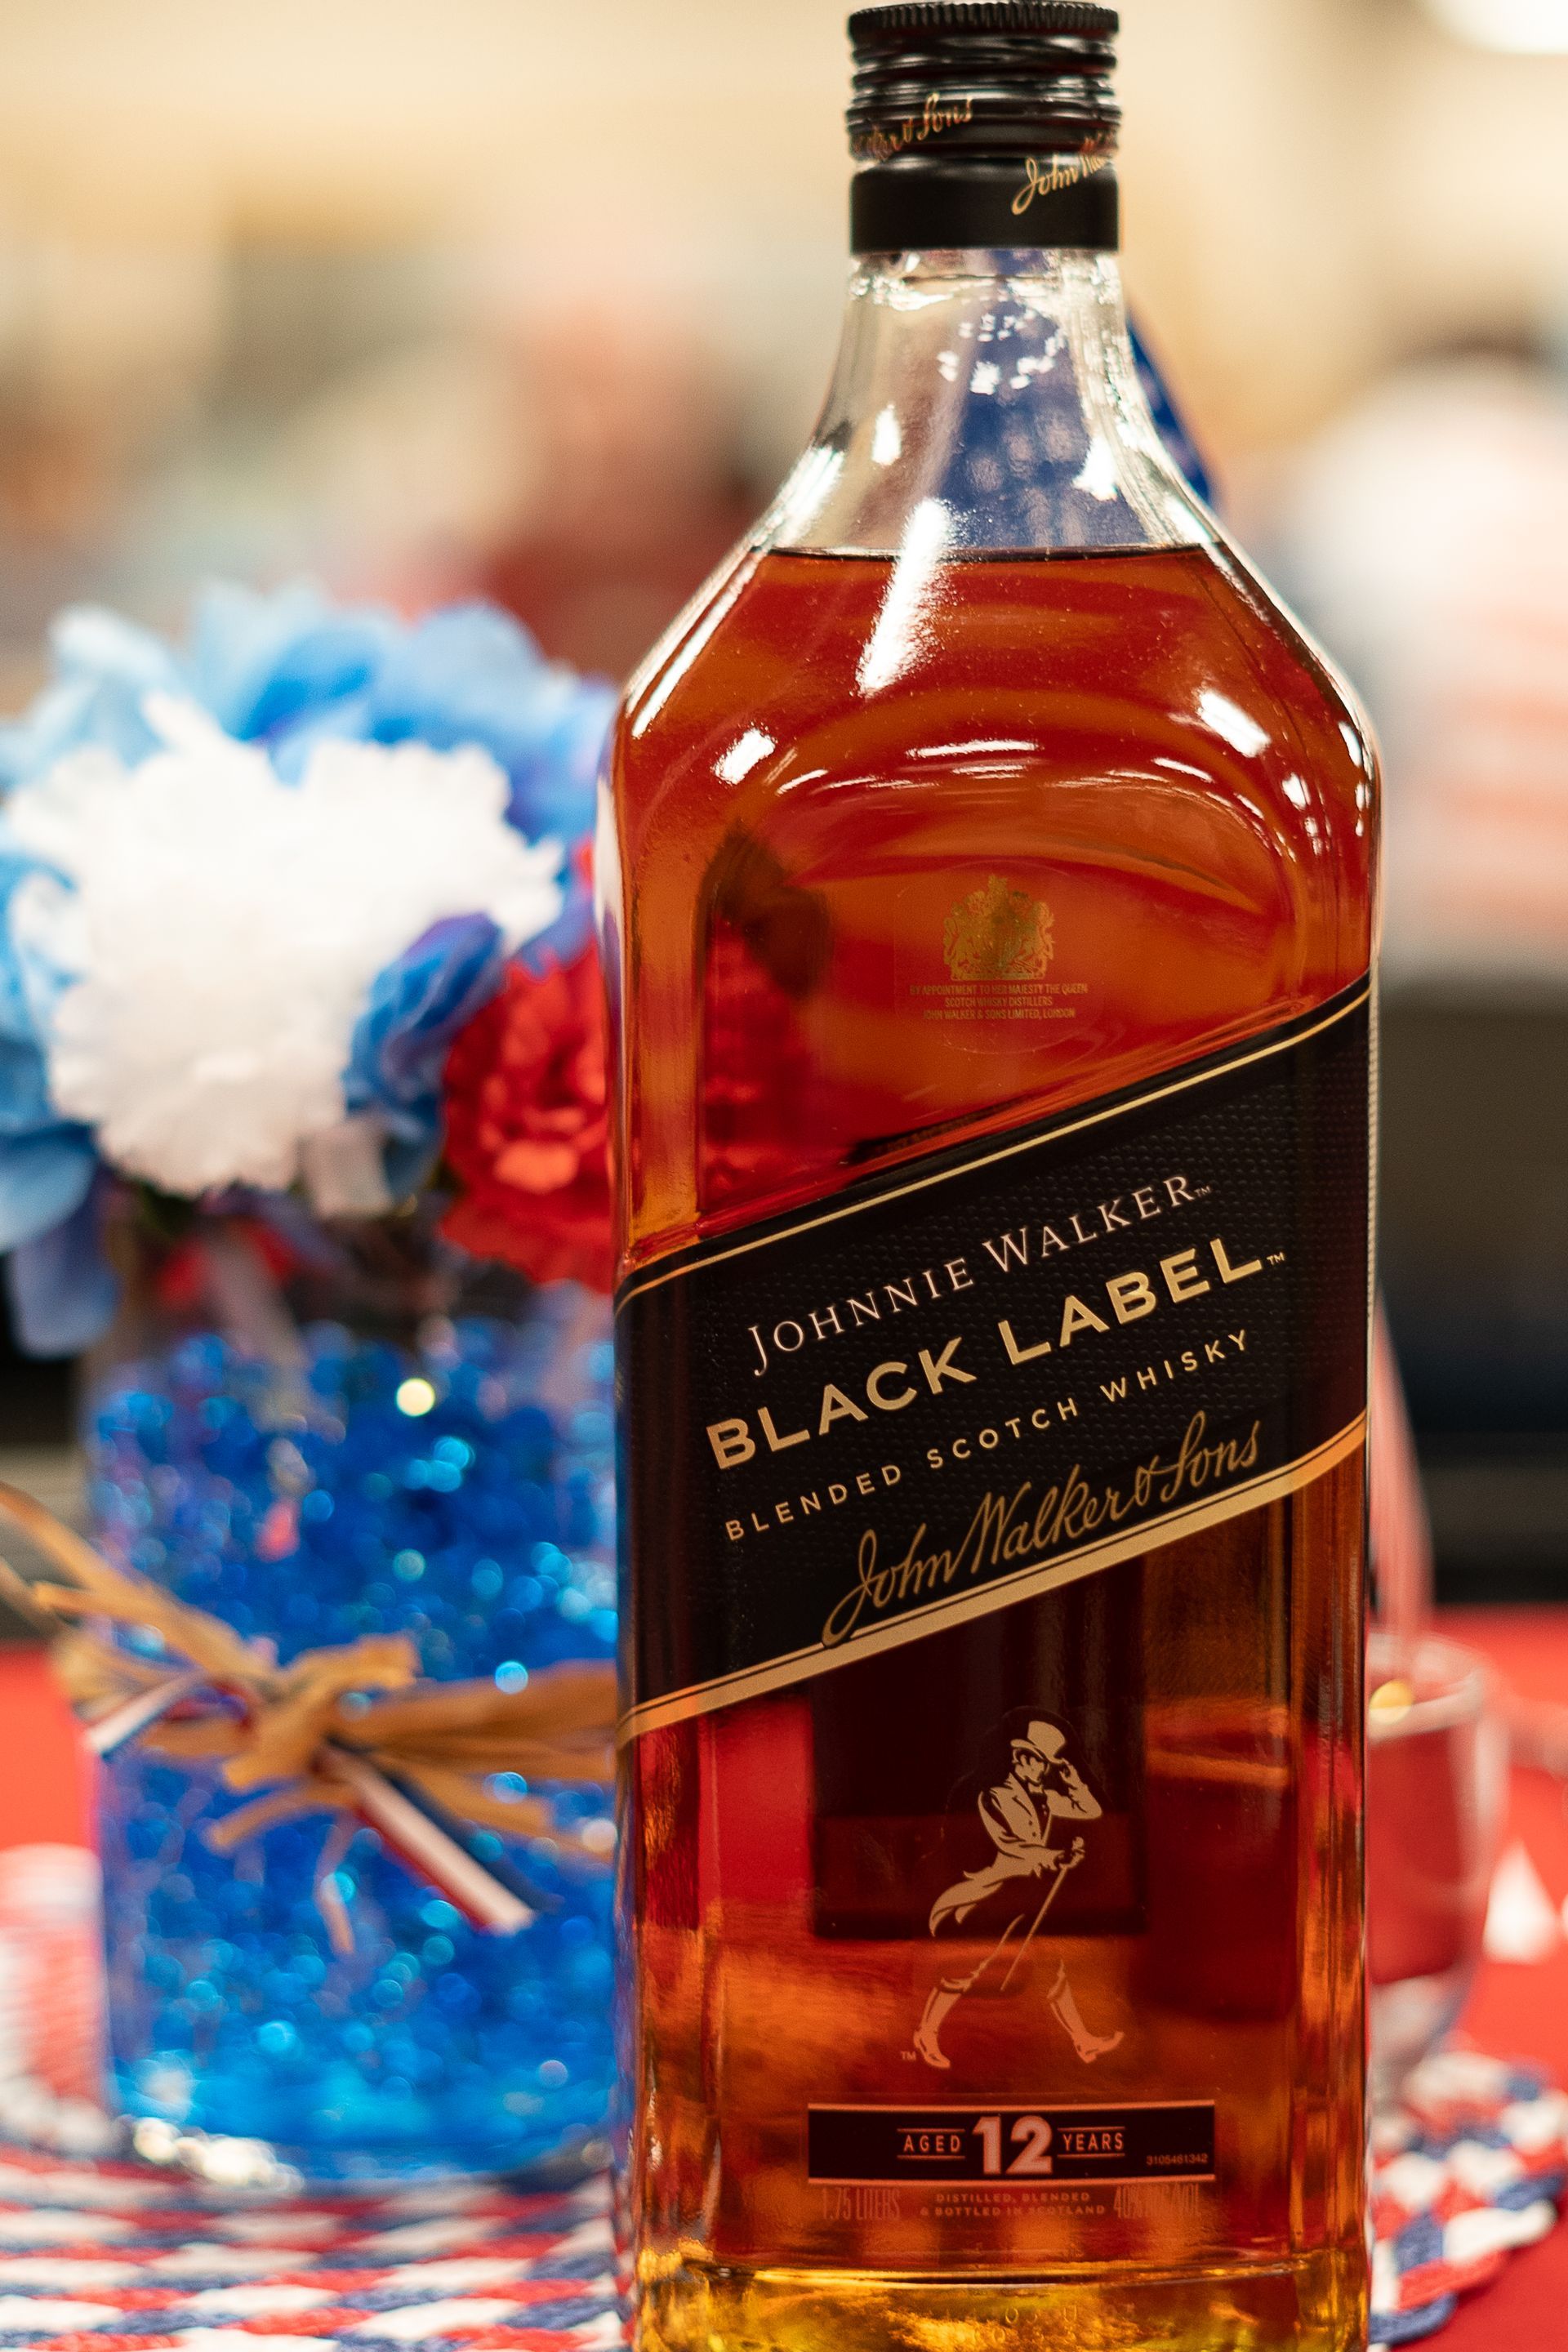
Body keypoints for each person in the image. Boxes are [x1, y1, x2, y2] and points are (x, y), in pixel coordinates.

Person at [913, 1716, 1124, 2072]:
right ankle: (925, 2034)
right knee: (968, 1964)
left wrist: (1074, 1782)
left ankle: (1082, 2041)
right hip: (995, 1891)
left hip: (1027, 1894)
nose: (1043, 1771)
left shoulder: (1045, 1798)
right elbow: (1012, 1846)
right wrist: (1056, 1857)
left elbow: (1090, 1811)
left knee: (1053, 1967)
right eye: (1040, 1762)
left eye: (1047, 1765)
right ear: (1022, 1758)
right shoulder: (995, 1796)